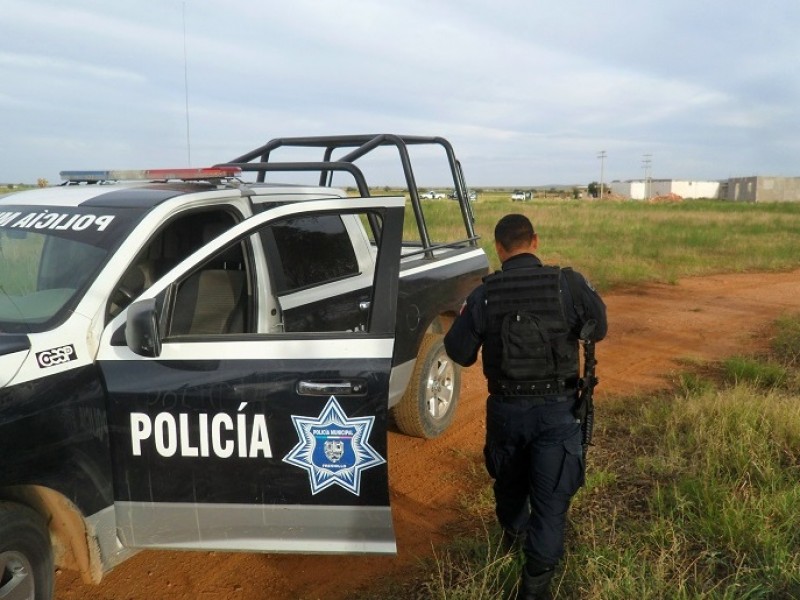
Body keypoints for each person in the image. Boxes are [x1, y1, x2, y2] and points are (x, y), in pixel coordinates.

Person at [444, 213, 607, 599]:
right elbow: (598, 328)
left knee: (510, 490)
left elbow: (458, 352)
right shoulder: (568, 283)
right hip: (558, 412)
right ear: (534, 241)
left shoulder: (484, 293)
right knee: (550, 507)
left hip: (507, 413)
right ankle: (535, 588)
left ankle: (514, 541)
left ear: (498, 249)